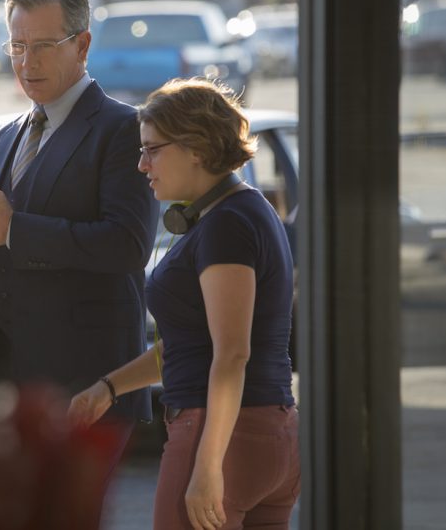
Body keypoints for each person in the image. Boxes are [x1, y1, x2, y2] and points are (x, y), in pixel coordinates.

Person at [0, 0, 160, 498]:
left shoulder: (123, 129)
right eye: (16, 46)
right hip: (8, 381)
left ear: (82, 45)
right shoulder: (2, 136)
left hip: (86, 383)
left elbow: (128, 244)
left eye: (42, 46)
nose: (26, 61)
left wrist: (13, 229)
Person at [68, 78, 299, 530]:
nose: (141, 165)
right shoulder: (243, 211)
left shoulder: (225, 226)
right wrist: (109, 387)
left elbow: (232, 354)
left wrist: (209, 465)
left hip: (221, 437)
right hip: (272, 437)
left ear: (195, 147)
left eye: (152, 149)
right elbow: (194, 345)